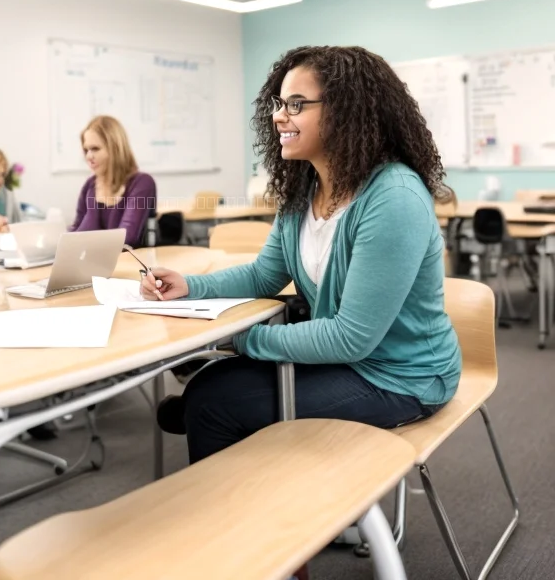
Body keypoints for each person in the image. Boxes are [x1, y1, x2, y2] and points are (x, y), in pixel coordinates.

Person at [142, 45, 461, 477]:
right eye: (279, 103)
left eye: (296, 104)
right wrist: (190, 286)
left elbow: (350, 338)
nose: (278, 116)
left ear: (347, 111)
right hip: (349, 362)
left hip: (402, 378)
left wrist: (236, 340)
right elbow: (264, 275)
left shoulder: (394, 198)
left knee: (214, 402)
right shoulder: (303, 191)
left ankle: (248, 513)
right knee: (211, 384)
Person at [71, 116, 156, 248]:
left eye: (95, 149)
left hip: (130, 260)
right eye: (86, 150)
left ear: (115, 148)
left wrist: (81, 240)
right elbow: (76, 232)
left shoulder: (142, 183)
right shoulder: (90, 185)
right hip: (96, 259)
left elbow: (126, 237)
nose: (88, 156)